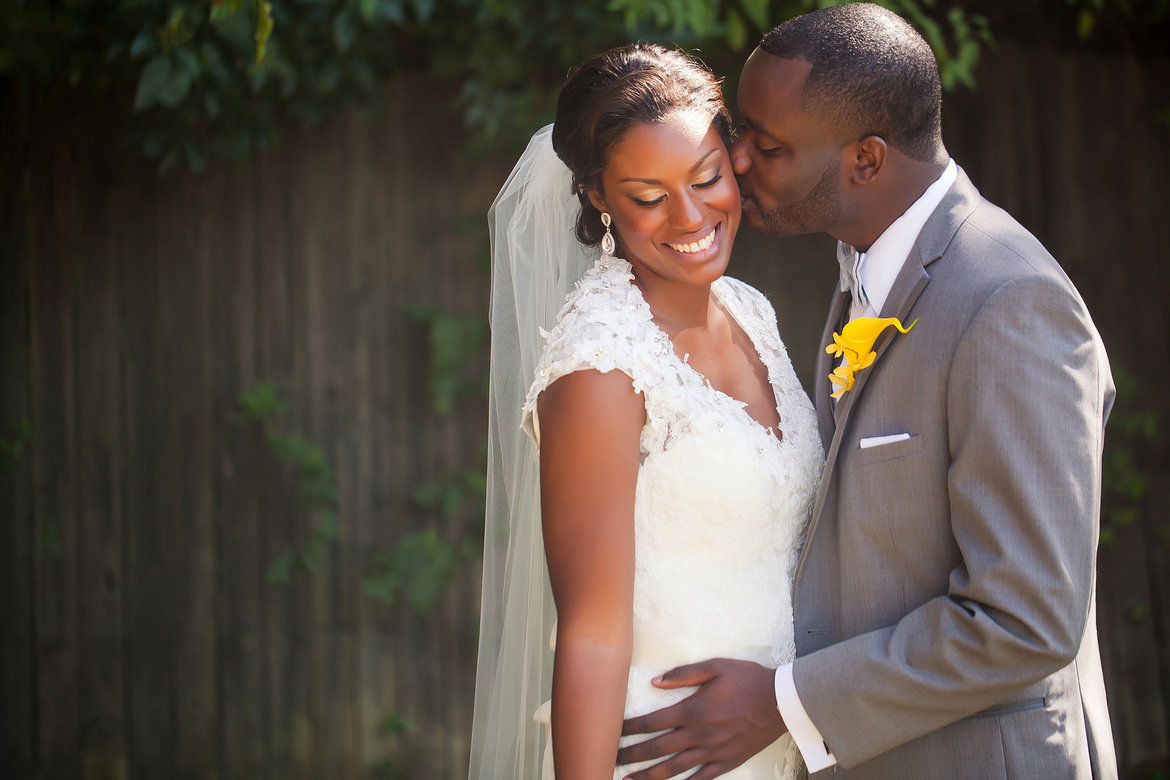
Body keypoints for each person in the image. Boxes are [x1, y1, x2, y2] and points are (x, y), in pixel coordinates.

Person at [617, 4, 1118, 779]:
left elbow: (1028, 618)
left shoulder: (1008, 302)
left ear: (867, 161)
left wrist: (785, 703)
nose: (737, 160)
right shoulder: (865, 269)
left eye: (769, 145)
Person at [468, 43, 824, 779]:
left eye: (706, 178)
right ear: (599, 197)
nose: (691, 216)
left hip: (777, 744)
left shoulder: (752, 313)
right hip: (660, 757)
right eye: (649, 196)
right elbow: (592, 633)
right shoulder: (601, 364)